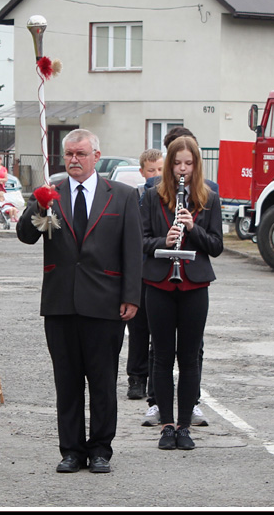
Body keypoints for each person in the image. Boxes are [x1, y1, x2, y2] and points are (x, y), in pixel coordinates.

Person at [17, 128, 142, 474]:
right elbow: (27, 236)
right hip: (61, 304)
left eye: (80, 154)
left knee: (102, 381)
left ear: (96, 157)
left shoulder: (123, 196)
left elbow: (133, 250)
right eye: (69, 154)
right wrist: (38, 205)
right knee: (67, 382)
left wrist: (132, 295)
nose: (73, 159)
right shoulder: (50, 193)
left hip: (105, 304)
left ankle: (101, 449)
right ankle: (71, 450)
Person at [141, 136, 223, 450]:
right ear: (169, 165)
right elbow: (142, 241)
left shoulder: (209, 198)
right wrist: (165, 240)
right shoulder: (152, 197)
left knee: (189, 359)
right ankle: (166, 425)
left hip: (194, 285)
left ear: (196, 165)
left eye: (188, 164)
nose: (182, 169)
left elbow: (215, 246)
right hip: (160, 284)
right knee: (161, 358)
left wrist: (192, 229)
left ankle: (185, 426)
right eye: (177, 163)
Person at [126, 149, 163, 403]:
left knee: (158, 330)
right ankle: (136, 378)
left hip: (160, 269)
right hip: (140, 271)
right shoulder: (137, 195)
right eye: (152, 171)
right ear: (142, 172)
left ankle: (155, 378)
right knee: (138, 330)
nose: (157, 175)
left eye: (161, 170)